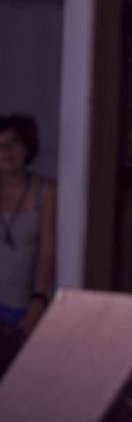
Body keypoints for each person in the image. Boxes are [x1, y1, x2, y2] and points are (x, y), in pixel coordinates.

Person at [0, 115, 56, 373]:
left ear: (27, 146)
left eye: (13, 142)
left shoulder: (45, 191)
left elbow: (47, 252)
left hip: (20, 307)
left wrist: (39, 300)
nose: (6, 151)